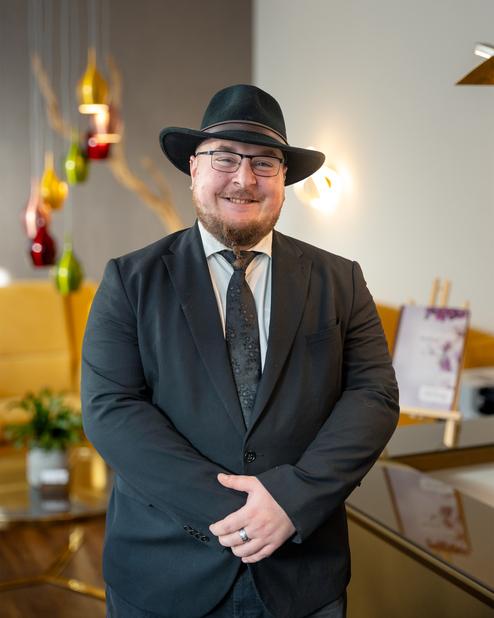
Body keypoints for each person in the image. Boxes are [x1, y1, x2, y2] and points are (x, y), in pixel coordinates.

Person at [81, 84, 399, 618]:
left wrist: (292, 500)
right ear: (193, 168)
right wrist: (245, 512)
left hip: (302, 573)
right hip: (163, 572)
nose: (244, 179)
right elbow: (111, 409)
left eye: (264, 162)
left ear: (284, 178)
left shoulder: (341, 279)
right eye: (224, 157)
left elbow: (374, 395)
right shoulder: (129, 281)